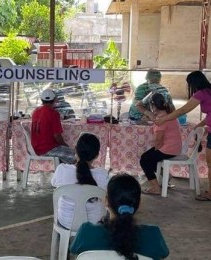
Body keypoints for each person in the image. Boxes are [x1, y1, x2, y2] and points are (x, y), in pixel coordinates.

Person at [70, 174, 169, 260]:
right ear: (139, 204)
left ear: (106, 201)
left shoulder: (86, 232)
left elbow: (74, 250)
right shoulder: (153, 235)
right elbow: (163, 254)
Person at [156, 70, 211, 201]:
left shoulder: (201, 93)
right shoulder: (209, 90)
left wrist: (165, 119)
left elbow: (183, 110)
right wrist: (201, 124)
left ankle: (210, 193)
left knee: (210, 163)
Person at [51, 133, 109, 230]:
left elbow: (54, 183)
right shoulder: (103, 175)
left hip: (66, 222)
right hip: (94, 224)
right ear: (97, 155)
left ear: (75, 149)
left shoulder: (62, 169)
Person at [140, 93, 182, 195]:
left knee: (145, 160)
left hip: (170, 149)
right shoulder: (167, 113)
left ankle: (155, 188)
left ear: (153, 106)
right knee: (150, 157)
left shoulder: (161, 118)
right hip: (174, 147)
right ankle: (166, 174)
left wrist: (155, 150)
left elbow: (158, 140)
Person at [31, 89, 76, 164]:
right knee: (76, 156)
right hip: (49, 149)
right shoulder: (54, 114)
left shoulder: (35, 111)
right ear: (55, 99)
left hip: (36, 148)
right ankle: (76, 174)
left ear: (42, 100)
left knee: (68, 153)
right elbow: (57, 136)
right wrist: (65, 145)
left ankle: (62, 171)